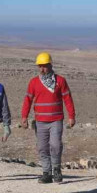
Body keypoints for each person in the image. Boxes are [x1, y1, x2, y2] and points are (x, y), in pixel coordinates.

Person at [21, 52, 76, 184]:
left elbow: (67, 99)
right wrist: (24, 116)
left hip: (56, 120)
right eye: (40, 66)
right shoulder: (34, 82)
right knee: (42, 147)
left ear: (50, 65)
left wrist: (71, 116)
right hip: (40, 121)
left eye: (44, 66)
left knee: (56, 145)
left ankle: (56, 170)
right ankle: (46, 173)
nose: (42, 69)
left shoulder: (60, 81)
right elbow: (28, 100)